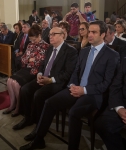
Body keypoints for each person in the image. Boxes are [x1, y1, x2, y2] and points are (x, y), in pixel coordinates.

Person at [19, 20, 120, 150]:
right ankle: (39, 139)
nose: (89, 35)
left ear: (103, 34)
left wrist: (84, 90)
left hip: (93, 94)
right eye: (89, 31)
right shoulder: (84, 51)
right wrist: (72, 84)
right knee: (49, 103)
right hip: (75, 88)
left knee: (73, 113)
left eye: (94, 32)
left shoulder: (112, 55)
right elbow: (76, 72)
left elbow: (107, 83)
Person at [13, 27, 78, 134]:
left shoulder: (71, 51)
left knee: (38, 95)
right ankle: (28, 118)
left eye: (53, 34)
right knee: (25, 89)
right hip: (44, 77)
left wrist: (50, 80)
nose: (50, 36)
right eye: (50, 34)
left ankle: (39, 126)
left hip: (57, 82)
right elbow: (43, 64)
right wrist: (39, 74)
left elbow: (68, 73)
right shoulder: (50, 48)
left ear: (62, 35)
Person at [3, 25, 49, 117]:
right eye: (31, 39)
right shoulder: (30, 44)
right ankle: (12, 104)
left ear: (39, 35)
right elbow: (23, 59)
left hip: (35, 71)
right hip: (26, 68)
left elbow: (41, 61)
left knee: (16, 84)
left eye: (34, 39)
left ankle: (19, 107)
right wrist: (30, 60)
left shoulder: (45, 46)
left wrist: (30, 60)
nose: (33, 41)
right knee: (9, 81)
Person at [94, 58, 126, 150]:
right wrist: (119, 108)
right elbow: (116, 86)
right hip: (122, 103)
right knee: (102, 124)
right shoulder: (125, 61)